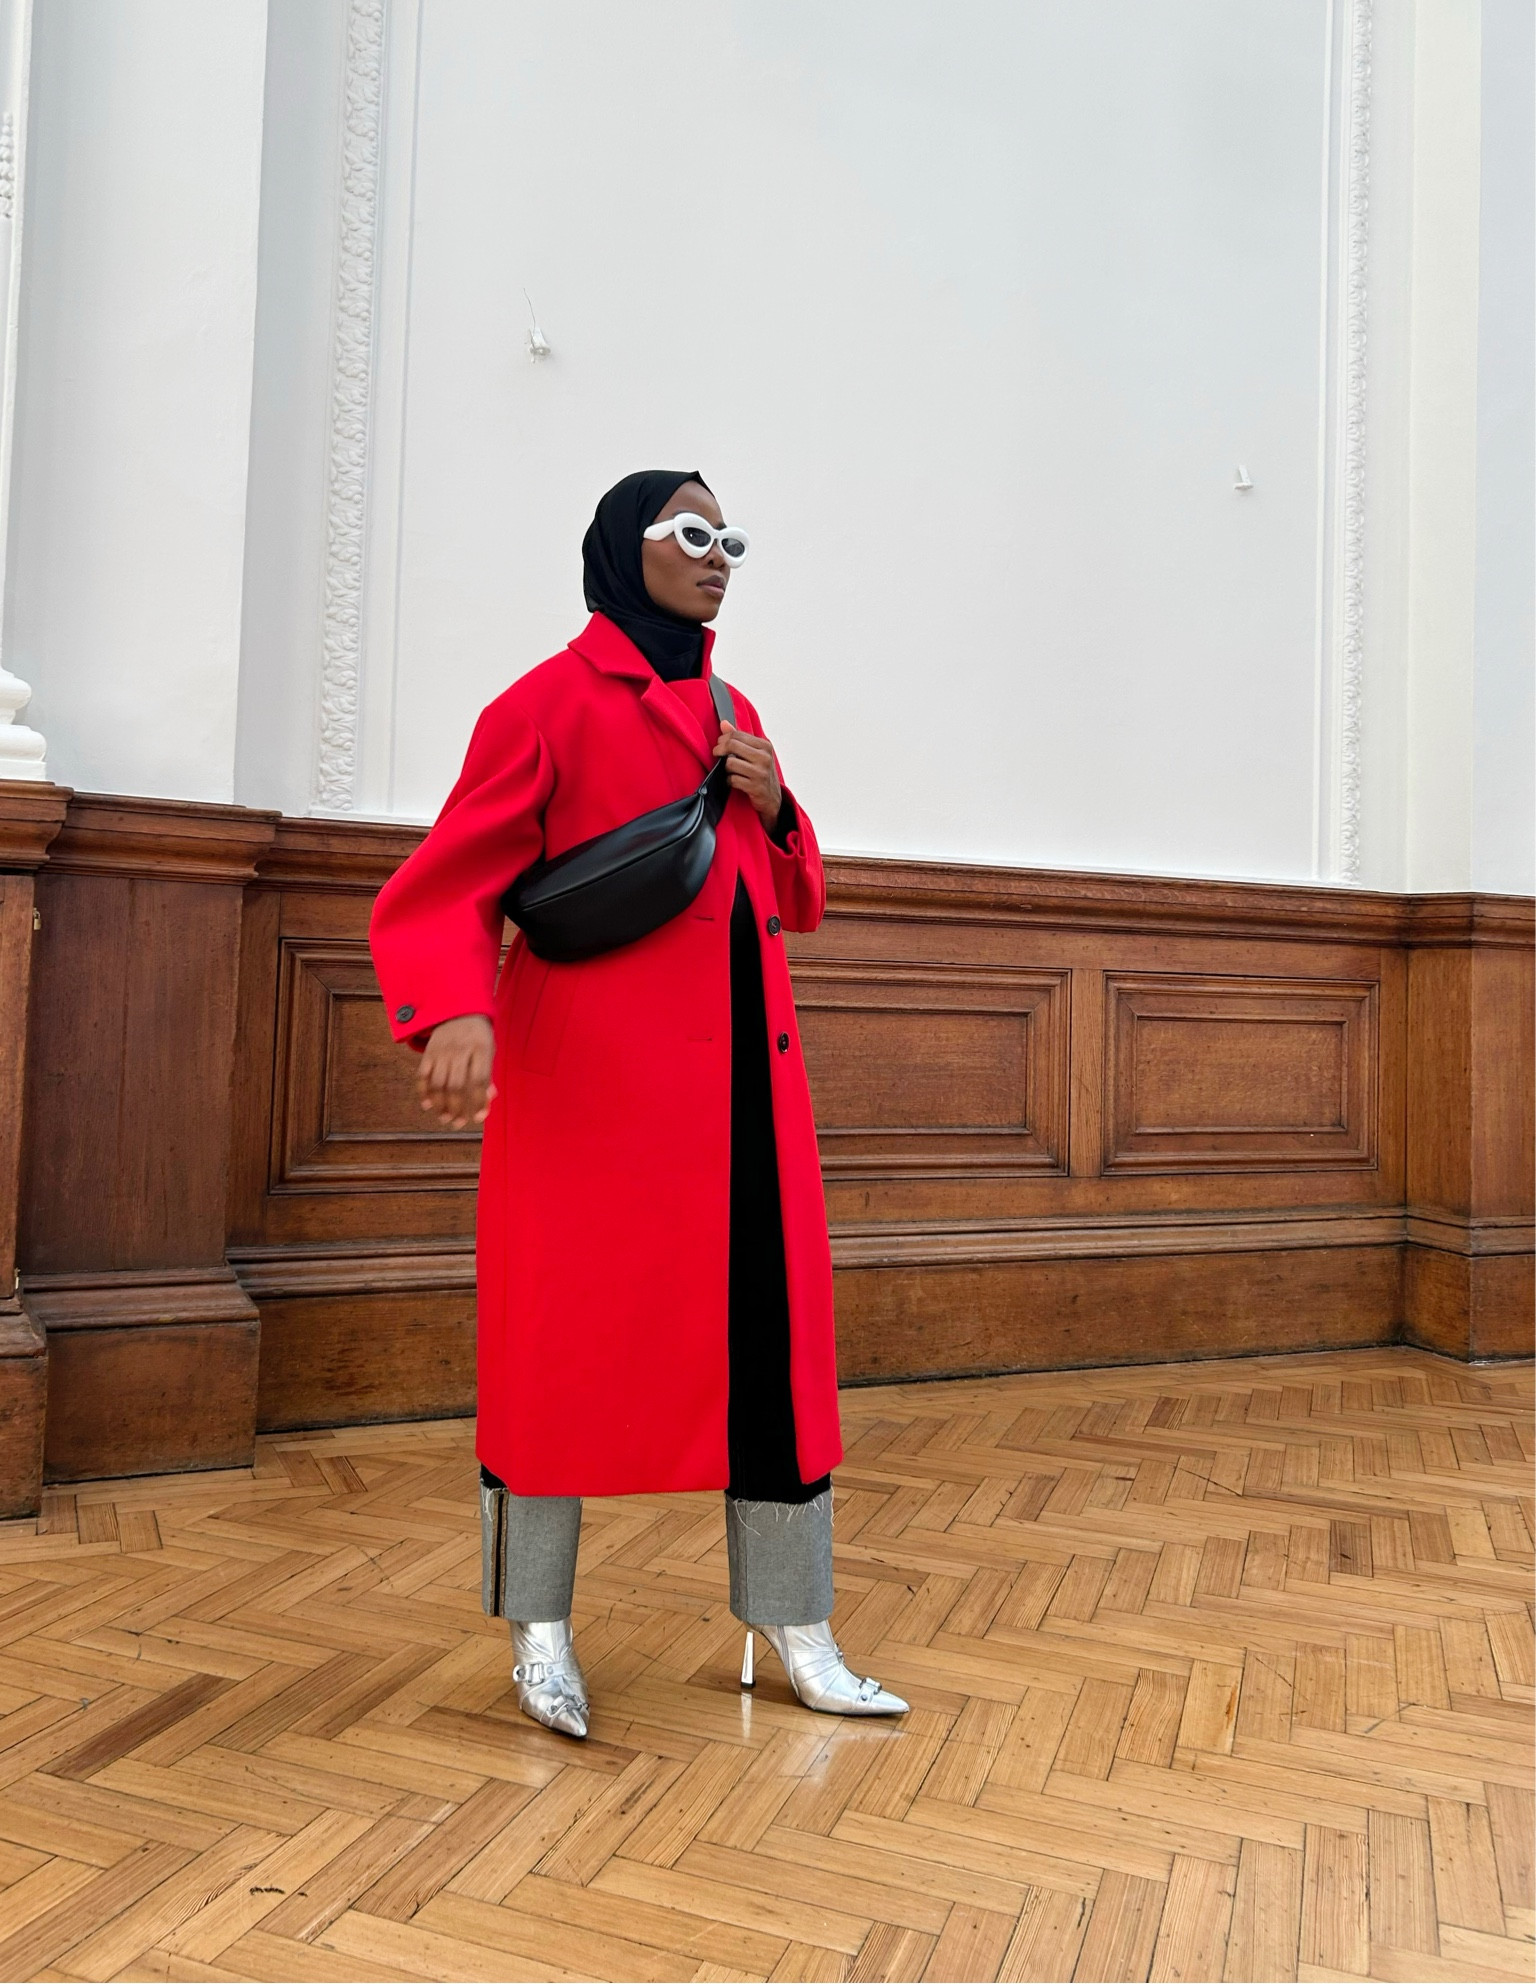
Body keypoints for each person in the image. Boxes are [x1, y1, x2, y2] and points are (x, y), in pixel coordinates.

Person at [369, 470, 906, 1738]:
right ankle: (539, 1631)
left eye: (732, 540)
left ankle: (797, 1622)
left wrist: (780, 809)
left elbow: (793, 896)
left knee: (772, 1356)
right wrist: (456, 1008)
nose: (718, 557)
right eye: (692, 534)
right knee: (555, 1353)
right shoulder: (543, 708)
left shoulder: (734, 709)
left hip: (746, 1101)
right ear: (626, 550)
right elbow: (449, 882)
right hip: (590, 1105)